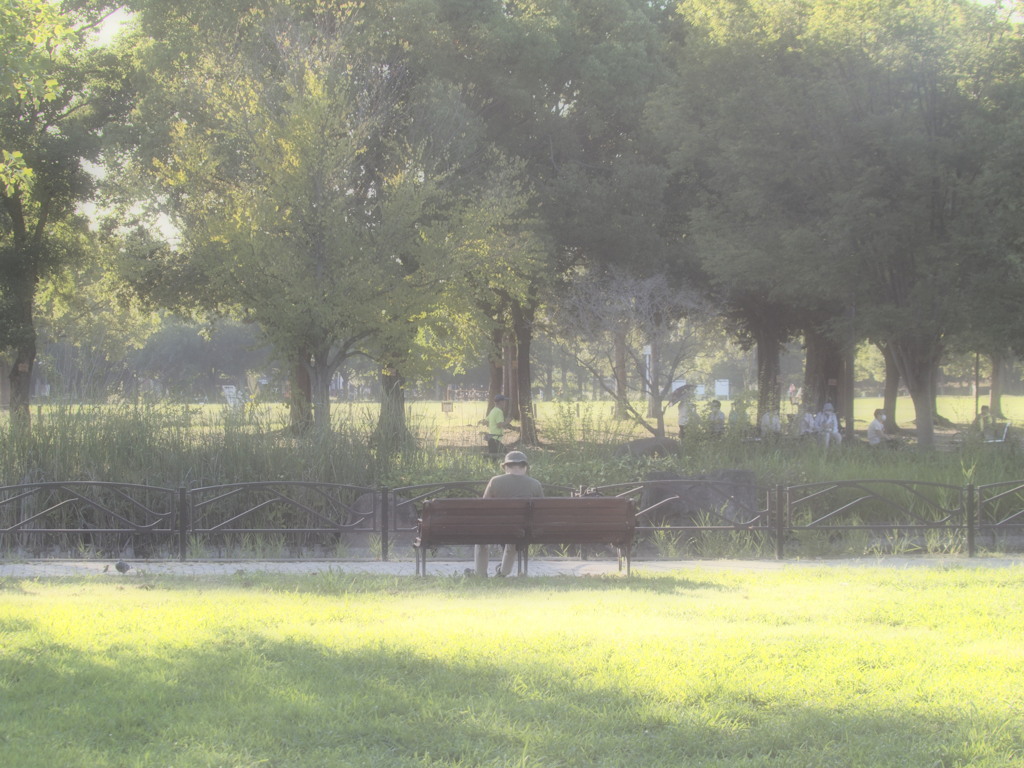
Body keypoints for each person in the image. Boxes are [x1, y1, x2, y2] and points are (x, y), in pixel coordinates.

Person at [475, 450, 544, 577]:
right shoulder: (535, 484)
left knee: (481, 539)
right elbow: (541, 509)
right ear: (525, 467)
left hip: (495, 527)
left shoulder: (495, 481)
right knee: (513, 539)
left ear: (506, 467)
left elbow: (484, 506)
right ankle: (502, 574)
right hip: (521, 530)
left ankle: (480, 574)